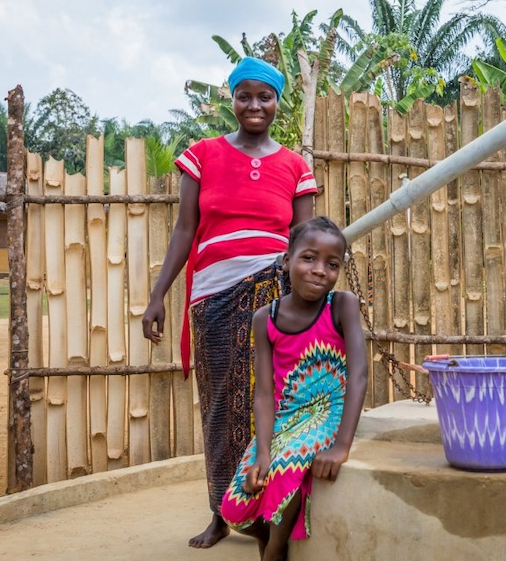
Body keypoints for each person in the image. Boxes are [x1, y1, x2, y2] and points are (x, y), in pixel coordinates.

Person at [141, 56, 317, 549]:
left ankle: (267, 512)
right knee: (220, 406)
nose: (255, 105)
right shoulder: (201, 156)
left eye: (265, 96)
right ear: (232, 99)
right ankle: (221, 511)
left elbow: (302, 241)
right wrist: (158, 295)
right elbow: (184, 230)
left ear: (279, 102)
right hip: (213, 296)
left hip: (273, 299)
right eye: (245, 96)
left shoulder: (295, 167)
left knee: (272, 405)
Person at [219, 217, 368, 561]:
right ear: (287, 260)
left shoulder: (341, 305)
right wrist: (263, 451)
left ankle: (275, 550)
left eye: (332, 265)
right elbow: (265, 394)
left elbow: (359, 374)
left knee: (285, 474)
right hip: (286, 417)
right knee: (234, 505)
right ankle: (263, 535)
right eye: (308, 258)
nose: (319, 271)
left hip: (328, 412)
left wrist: (341, 446)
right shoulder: (265, 318)